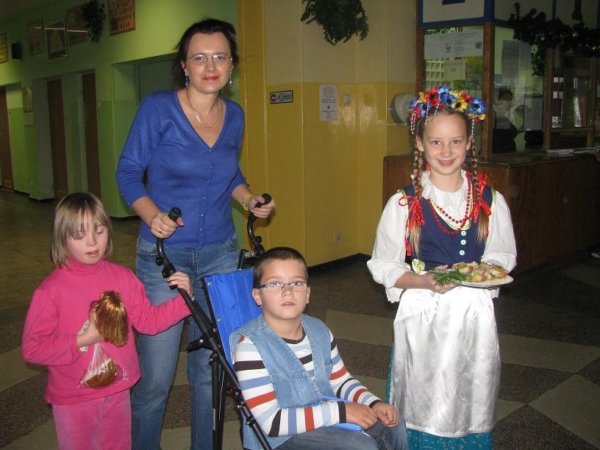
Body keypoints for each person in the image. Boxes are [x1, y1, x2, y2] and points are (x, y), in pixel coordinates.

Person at [115, 18, 276, 450]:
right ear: (184, 66)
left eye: (220, 57)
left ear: (232, 65)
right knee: (155, 378)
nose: (210, 66)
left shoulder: (235, 115)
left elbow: (229, 173)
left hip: (220, 254)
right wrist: (152, 215)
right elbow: (127, 172)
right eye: (199, 57)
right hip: (165, 260)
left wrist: (248, 199)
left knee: (209, 370)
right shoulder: (158, 109)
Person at [367, 85, 517, 449]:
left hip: (473, 315)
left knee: (470, 390)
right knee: (424, 393)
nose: (446, 152)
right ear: (420, 144)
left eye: (456, 141)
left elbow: (502, 254)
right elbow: (383, 264)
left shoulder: (490, 200)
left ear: (469, 143)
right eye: (436, 142)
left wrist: (483, 271)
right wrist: (423, 281)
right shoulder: (404, 203)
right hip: (424, 314)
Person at [21, 192, 193, 450]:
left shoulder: (122, 278)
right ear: (62, 238)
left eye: (99, 230)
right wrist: (83, 340)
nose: (92, 241)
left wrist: (184, 300)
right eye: (79, 234)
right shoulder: (50, 291)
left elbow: (148, 321)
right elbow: (33, 348)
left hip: (117, 389)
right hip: (73, 396)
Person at [231, 247, 408, 450]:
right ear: (257, 296)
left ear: (307, 294)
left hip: (324, 414)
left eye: (296, 283)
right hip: (280, 435)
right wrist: (341, 412)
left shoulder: (319, 330)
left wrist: (373, 403)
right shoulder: (250, 347)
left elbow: (341, 380)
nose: (287, 291)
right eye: (275, 284)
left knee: (393, 426)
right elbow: (272, 422)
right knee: (359, 446)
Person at [492, 86, 518, 153]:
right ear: (497, 101)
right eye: (506, 99)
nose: (509, 103)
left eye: (510, 100)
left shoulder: (506, 116)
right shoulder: (492, 117)